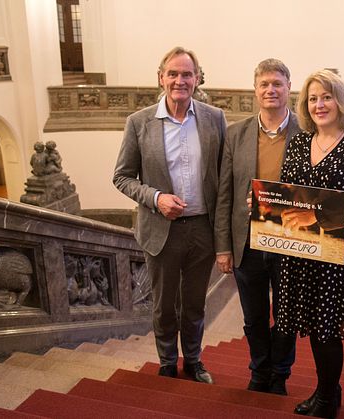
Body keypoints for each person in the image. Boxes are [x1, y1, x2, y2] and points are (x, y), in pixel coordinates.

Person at [113, 46, 227, 384]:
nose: (180, 80)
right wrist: (156, 197)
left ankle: (193, 360)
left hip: (202, 230)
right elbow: (121, 176)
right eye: (173, 74)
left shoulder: (213, 118)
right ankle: (166, 361)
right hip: (161, 229)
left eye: (187, 74)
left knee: (194, 304)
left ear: (197, 79)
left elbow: (224, 174)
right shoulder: (139, 122)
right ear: (161, 78)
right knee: (163, 306)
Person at [276, 69, 344, 418]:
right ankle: (327, 390)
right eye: (312, 98)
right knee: (312, 327)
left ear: (340, 101)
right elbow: (287, 195)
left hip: (339, 257)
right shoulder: (297, 143)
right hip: (301, 253)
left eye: (326, 96)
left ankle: (327, 397)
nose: (319, 104)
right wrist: (265, 205)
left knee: (327, 331)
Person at [215, 58, 300, 394]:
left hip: (291, 240)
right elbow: (225, 194)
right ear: (255, 90)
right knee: (253, 317)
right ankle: (259, 371)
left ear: (288, 88)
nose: (270, 90)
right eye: (264, 84)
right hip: (246, 241)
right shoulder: (235, 134)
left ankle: (280, 374)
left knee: (287, 316)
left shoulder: (307, 134)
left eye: (277, 83)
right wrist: (223, 246)